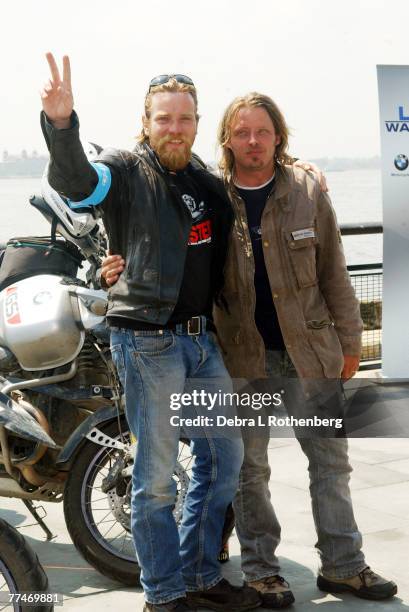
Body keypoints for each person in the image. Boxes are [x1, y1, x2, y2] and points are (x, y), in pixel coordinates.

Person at [103, 92, 398, 608]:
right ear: (227, 139)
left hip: (311, 358)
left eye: (263, 132)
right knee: (248, 471)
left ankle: (344, 566)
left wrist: (350, 342)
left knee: (330, 464)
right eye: (242, 133)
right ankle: (263, 571)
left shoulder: (307, 189)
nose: (253, 142)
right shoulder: (212, 193)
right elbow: (160, 239)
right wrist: (117, 263)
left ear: (279, 136)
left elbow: (335, 273)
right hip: (244, 362)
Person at [39, 53, 261, 612]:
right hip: (147, 339)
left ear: (196, 122)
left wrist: (304, 174)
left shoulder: (203, 180)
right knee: (157, 475)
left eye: (185, 119)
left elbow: (252, 195)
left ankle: (201, 574)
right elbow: (79, 185)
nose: (175, 129)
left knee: (222, 460)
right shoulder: (126, 170)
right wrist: (63, 126)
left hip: (202, 341)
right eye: (164, 119)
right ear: (146, 121)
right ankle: (163, 594)